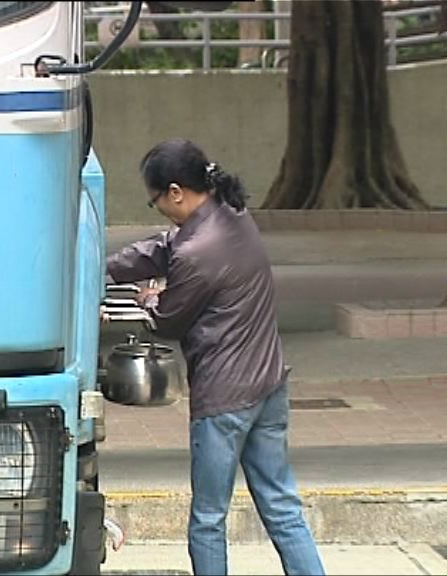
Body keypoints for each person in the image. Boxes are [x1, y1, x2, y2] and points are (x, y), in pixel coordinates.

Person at [105, 138, 325, 576]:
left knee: (208, 520)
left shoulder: (195, 253)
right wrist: (107, 265)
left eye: (156, 202)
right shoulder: (236, 216)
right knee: (282, 507)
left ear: (175, 192)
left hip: (225, 400)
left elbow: (167, 320)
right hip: (269, 384)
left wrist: (148, 298)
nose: (161, 212)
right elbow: (164, 248)